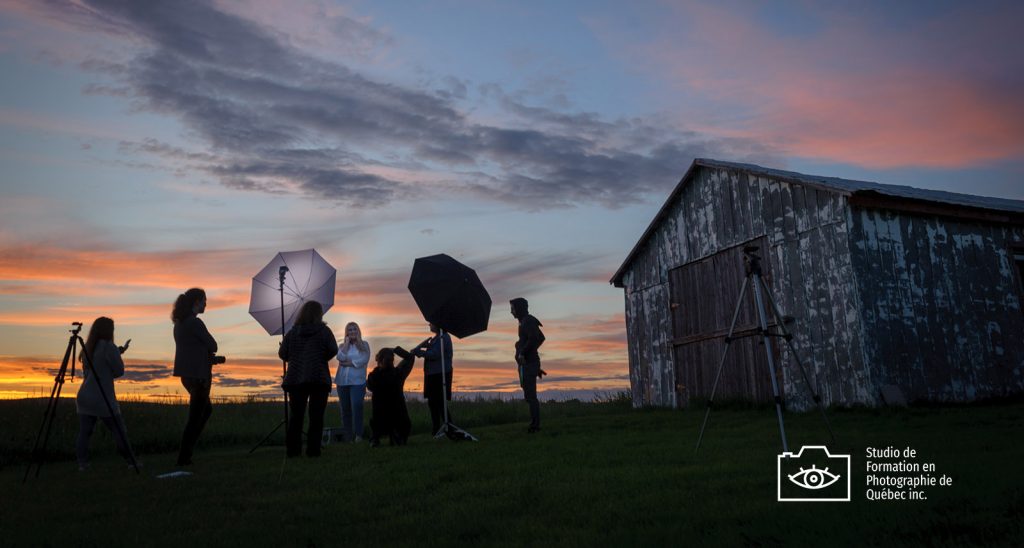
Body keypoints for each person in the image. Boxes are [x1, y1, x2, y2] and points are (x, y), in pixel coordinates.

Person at [279, 300, 338, 457]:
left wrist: (290, 352)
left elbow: (282, 354)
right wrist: (321, 357)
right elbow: (333, 349)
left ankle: (293, 451)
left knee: (296, 417)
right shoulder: (324, 331)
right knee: (316, 417)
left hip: (296, 379)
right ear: (319, 314)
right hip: (318, 378)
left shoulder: (292, 333)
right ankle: (313, 451)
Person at [75, 317, 134, 471]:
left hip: (85, 396)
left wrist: (120, 350)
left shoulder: (88, 347)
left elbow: (93, 367)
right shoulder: (109, 347)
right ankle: (131, 461)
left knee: (85, 432)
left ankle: (83, 464)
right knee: (119, 430)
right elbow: (119, 371)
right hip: (103, 397)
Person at [172, 287, 218, 466]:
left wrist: (206, 355)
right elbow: (212, 344)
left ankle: (187, 453)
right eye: (204, 300)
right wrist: (208, 353)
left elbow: (193, 349)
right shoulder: (194, 323)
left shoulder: (180, 323)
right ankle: (184, 456)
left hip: (188, 375)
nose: (206, 303)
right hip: (199, 375)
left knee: (205, 411)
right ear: (196, 302)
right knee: (195, 417)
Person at [365, 346, 415, 447]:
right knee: (400, 419)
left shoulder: (373, 376)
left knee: (377, 418)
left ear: (378, 359)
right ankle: (398, 436)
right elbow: (410, 357)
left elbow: (369, 387)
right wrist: (395, 349)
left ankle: (375, 438)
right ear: (392, 360)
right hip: (399, 417)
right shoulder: (398, 373)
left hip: (380, 418)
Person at [511, 298, 546, 433]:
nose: (511, 312)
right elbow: (538, 338)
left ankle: (535, 426)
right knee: (529, 396)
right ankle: (534, 424)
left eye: (513, 308)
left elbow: (536, 338)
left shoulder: (528, 321)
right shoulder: (524, 322)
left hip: (528, 363)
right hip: (528, 364)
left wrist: (524, 352)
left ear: (519, 309)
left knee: (531, 397)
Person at [412, 323, 453, 435]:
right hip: (432, 374)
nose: (429, 324)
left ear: (438, 324)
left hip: (440, 375)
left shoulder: (444, 337)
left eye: (431, 323)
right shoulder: (436, 338)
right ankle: (438, 427)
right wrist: (422, 346)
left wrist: (419, 352)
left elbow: (435, 354)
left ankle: (447, 426)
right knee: (433, 402)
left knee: (439, 401)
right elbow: (432, 351)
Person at [335, 322, 370, 442]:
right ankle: (348, 435)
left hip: (358, 382)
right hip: (342, 381)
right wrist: (346, 344)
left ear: (358, 331)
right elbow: (340, 358)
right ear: (347, 333)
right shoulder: (342, 346)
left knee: (357, 406)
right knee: (345, 409)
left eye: (354, 329)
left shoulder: (364, 345)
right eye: (349, 330)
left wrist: (348, 363)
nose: (352, 331)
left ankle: (359, 434)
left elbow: (363, 360)